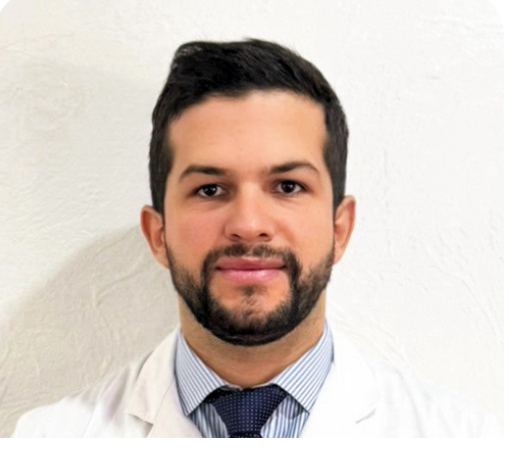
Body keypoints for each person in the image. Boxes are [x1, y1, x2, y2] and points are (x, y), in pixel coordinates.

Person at [12, 39, 501, 438]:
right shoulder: (48, 440)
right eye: (210, 189)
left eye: (287, 187)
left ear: (340, 228)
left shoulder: (465, 440)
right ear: (157, 235)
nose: (248, 224)